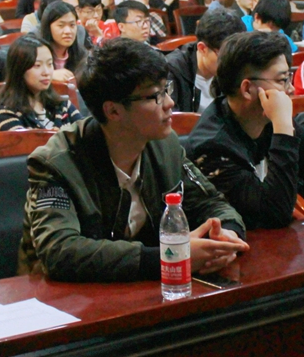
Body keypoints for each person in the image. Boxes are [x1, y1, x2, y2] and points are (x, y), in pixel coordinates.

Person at [19, 37, 248, 282]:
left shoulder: (165, 145)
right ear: (113, 110)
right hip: (62, 296)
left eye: (166, 90)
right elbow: (59, 251)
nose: (170, 103)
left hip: (147, 289)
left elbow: (211, 202)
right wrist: (169, 255)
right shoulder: (54, 164)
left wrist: (225, 235)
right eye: (155, 96)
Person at [187, 31, 304, 228]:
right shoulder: (212, 147)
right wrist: (283, 129)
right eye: (282, 80)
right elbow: (274, 215)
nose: (291, 89)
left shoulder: (271, 119)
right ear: (247, 89)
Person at [0, 35, 83, 131]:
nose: (46, 72)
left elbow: (85, 132)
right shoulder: (5, 113)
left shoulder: (62, 105)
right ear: (19, 69)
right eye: (37, 65)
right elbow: (24, 140)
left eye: (50, 64)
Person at [169, 11, 245, 114]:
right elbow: (172, 119)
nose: (233, 63)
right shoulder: (173, 70)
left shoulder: (238, 69)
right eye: (225, 55)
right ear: (202, 48)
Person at [40, 0, 87, 83]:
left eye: (72, 25)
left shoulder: (81, 55)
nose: (68, 31)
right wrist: (50, 75)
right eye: (61, 25)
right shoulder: (36, 53)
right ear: (48, 27)